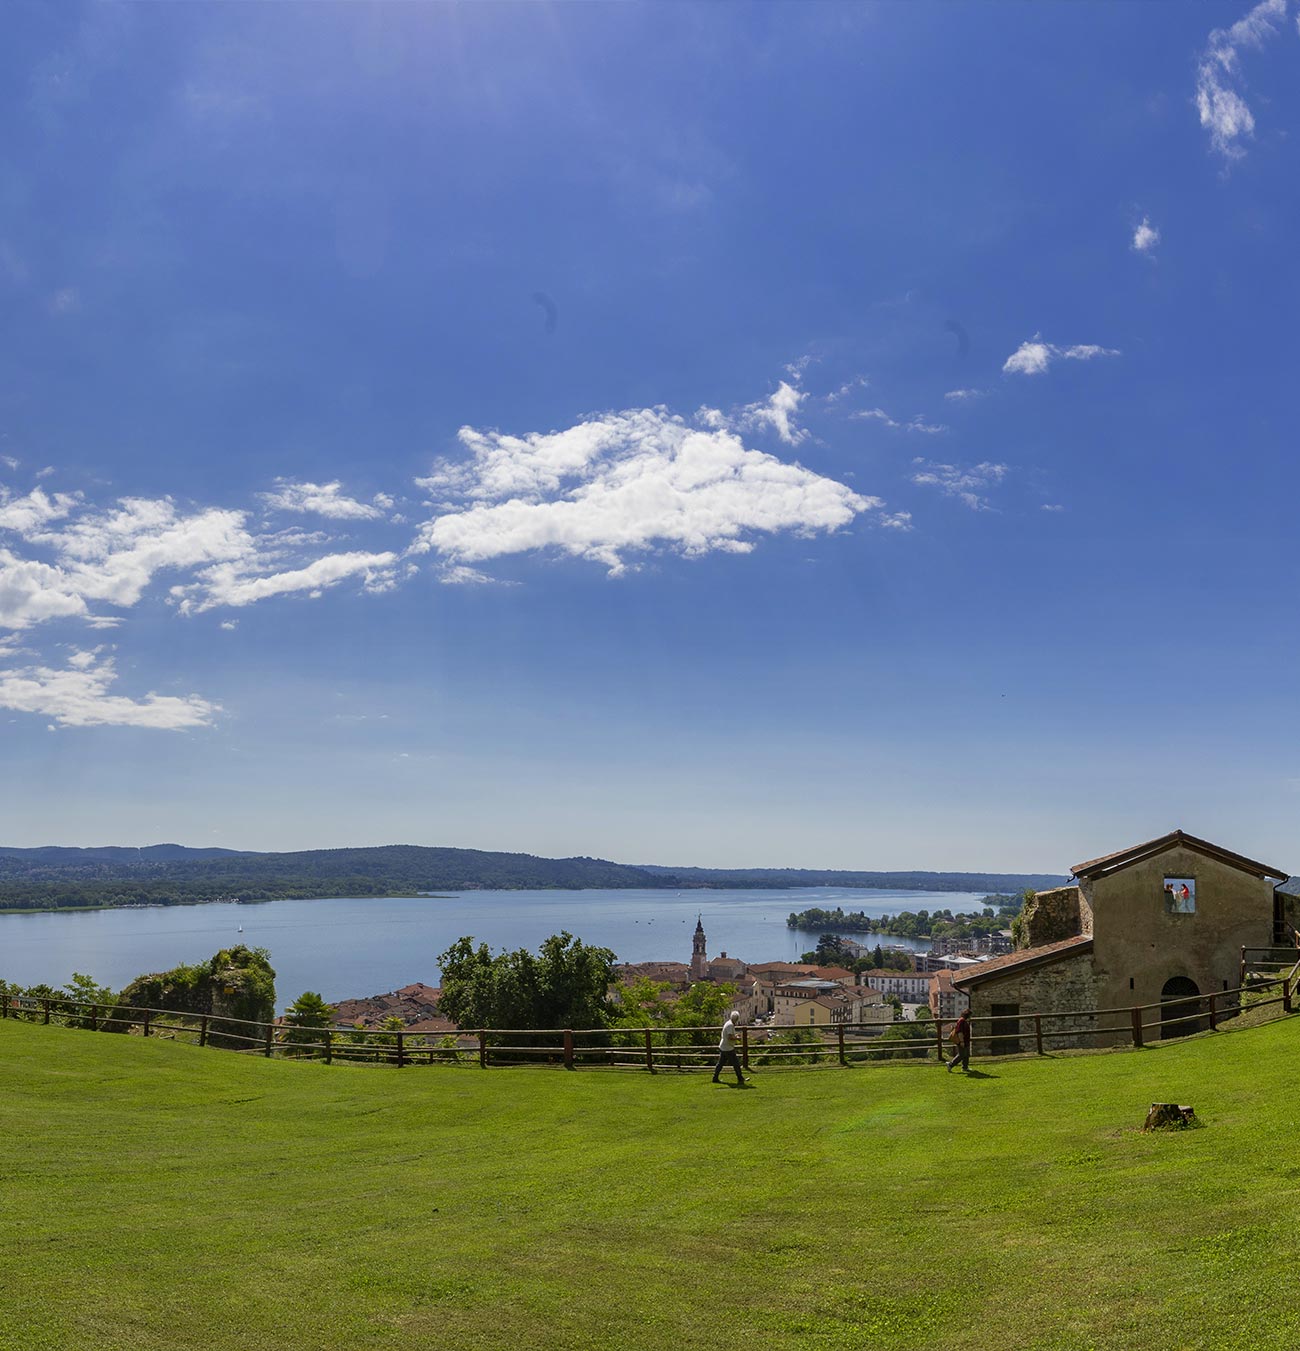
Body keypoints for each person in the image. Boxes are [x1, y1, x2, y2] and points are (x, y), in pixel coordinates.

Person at [712, 1010, 746, 1085]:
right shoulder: (730, 1025)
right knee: (736, 1063)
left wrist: (735, 1036)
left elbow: (729, 1036)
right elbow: (730, 1037)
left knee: (720, 1063)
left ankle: (715, 1077)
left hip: (724, 1046)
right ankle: (740, 1078)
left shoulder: (728, 1023)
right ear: (736, 1019)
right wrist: (737, 1038)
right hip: (728, 1048)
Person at [946, 1008, 971, 1073]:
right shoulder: (961, 1021)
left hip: (965, 1040)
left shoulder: (963, 1021)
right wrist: (961, 1041)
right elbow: (959, 1032)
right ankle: (950, 1064)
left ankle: (965, 1067)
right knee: (961, 1055)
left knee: (966, 1054)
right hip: (962, 1040)